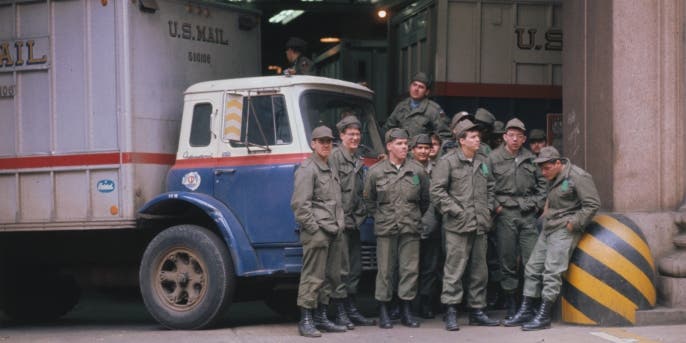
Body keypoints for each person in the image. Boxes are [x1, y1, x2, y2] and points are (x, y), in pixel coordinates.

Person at [503, 146, 600, 330]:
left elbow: (592, 204)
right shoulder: (552, 176)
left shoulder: (578, 176)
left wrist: (573, 223)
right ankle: (526, 310)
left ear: (558, 163)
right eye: (541, 168)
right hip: (549, 227)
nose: (543, 172)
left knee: (552, 272)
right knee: (532, 268)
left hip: (564, 228)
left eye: (546, 168)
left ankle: (544, 315)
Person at [431, 119, 499, 331]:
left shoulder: (483, 161)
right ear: (461, 140)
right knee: (455, 269)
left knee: (480, 270)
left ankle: (477, 310)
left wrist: (487, 209)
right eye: (473, 137)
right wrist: (456, 210)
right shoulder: (448, 162)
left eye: (478, 137)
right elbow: (437, 192)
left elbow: (491, 187)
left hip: (480, 224)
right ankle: (451, 310)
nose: (478, 140)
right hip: (457, 225)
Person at [363, 128, 430, 329]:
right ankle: (383, 310)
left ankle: (406, 311)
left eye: (405, 143)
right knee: (385, 270)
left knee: (409, 270)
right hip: (386, 227)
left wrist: (414, 216)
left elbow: (425, 200)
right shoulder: (376, 171)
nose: (404, 147)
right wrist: (381, 216)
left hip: (410, 226)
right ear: (389, 146)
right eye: (399, 144)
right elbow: (368, 200)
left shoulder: (417, 170)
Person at [487, 118, 547, 320]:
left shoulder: (531, 159)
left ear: (523, 139)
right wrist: (497, 207)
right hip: (506, 215)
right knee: (507, 260)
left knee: (532, 261)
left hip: (527, 214)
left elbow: (542, 186)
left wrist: (537, 206)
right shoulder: (493, 158)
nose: (514, 139)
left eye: (518, 136)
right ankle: (511, 303)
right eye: (510, 135)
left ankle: (530, 302)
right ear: (504, 137)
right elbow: (487, 186)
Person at [291, 126, 347, 337]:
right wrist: (314, 230)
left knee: (330, 278)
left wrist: (339, 225)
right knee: (312, 277)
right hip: (318, 232)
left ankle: (321, 317)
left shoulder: (330, 166)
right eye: (321, 141)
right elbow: (300, 204)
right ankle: (305, 319)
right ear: (313, 144)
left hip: (333, 230)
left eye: (329, 141)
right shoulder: (308, 168)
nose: (326, 145)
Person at [329, 115, 376, 327]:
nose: (355, 137)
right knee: (341, 270)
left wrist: (358, 217)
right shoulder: (335, 158)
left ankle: (351, 308)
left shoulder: (358, 159)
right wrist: (342, 220)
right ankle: (340, 311)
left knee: (355, 268)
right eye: (351, 134)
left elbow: (361, 194)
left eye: (358, 134)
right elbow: (332, 193)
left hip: (353, 223)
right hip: (339, 224)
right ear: (341, 136)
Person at [410, 134, 444, 319]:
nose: (423, 151)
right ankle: (404, 305)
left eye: (427, 148)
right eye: (419, 148)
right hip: (411, 223)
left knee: (431, 266)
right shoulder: (407, 168)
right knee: (408, 266)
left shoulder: (439, 168)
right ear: (412, 149)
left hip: (434, 224)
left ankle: (425, 303)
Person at [383, 72, 451, 140]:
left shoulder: (433, 110)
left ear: (427, 92)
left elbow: (445, 136)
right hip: (403, 148)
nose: (416, 89)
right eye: (414, 85)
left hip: (423, 149)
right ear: (410, 87)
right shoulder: (401, 106)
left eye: (421, 87)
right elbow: (387, 129)